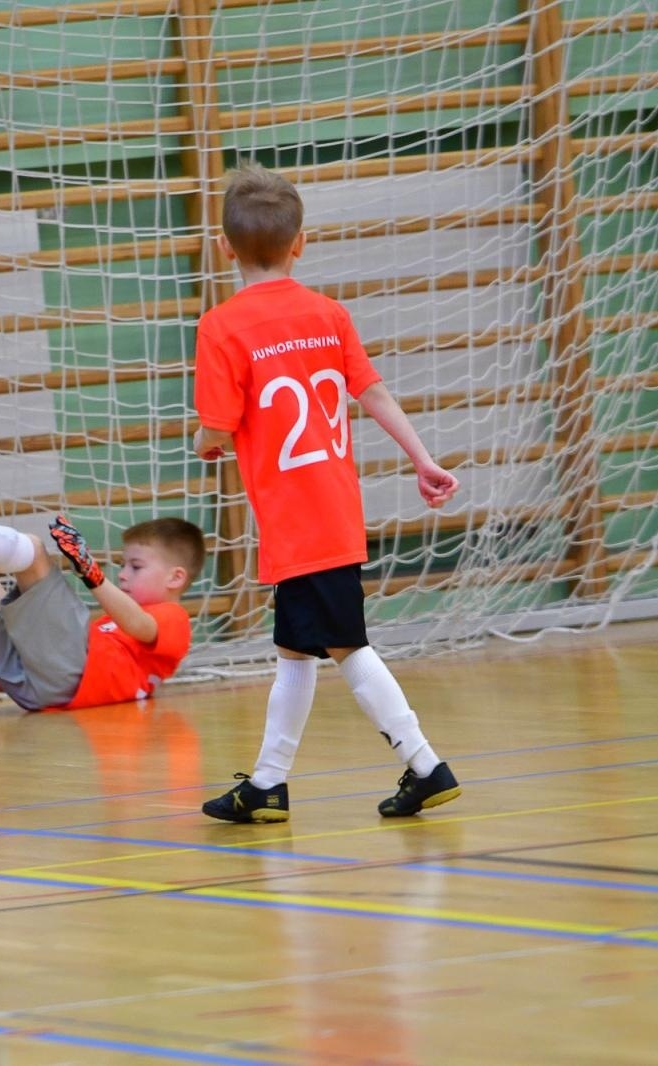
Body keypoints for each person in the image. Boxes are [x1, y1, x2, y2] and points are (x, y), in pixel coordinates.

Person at [190, 162, 462, 824]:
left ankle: (426, 764)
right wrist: (422, 459)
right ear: (301, 242)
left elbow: (215, 429)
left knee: (346, 647)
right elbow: (371, 392)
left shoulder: (222, 328)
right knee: (295, 649)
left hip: (295, 518)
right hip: (334, 509)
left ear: (224, 246)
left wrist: (206, 443)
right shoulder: (328, 314)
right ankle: (268, 784)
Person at [0, 457, 204, 711]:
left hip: (70, 682)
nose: (125, 574)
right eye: (122, 565)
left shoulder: (173, 618)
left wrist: (92, 574)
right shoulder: (111, 629)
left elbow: (139, 624)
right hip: (38, 691)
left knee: (34, 555)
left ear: (176, 578)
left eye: (136, 566)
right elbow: (46, 666)